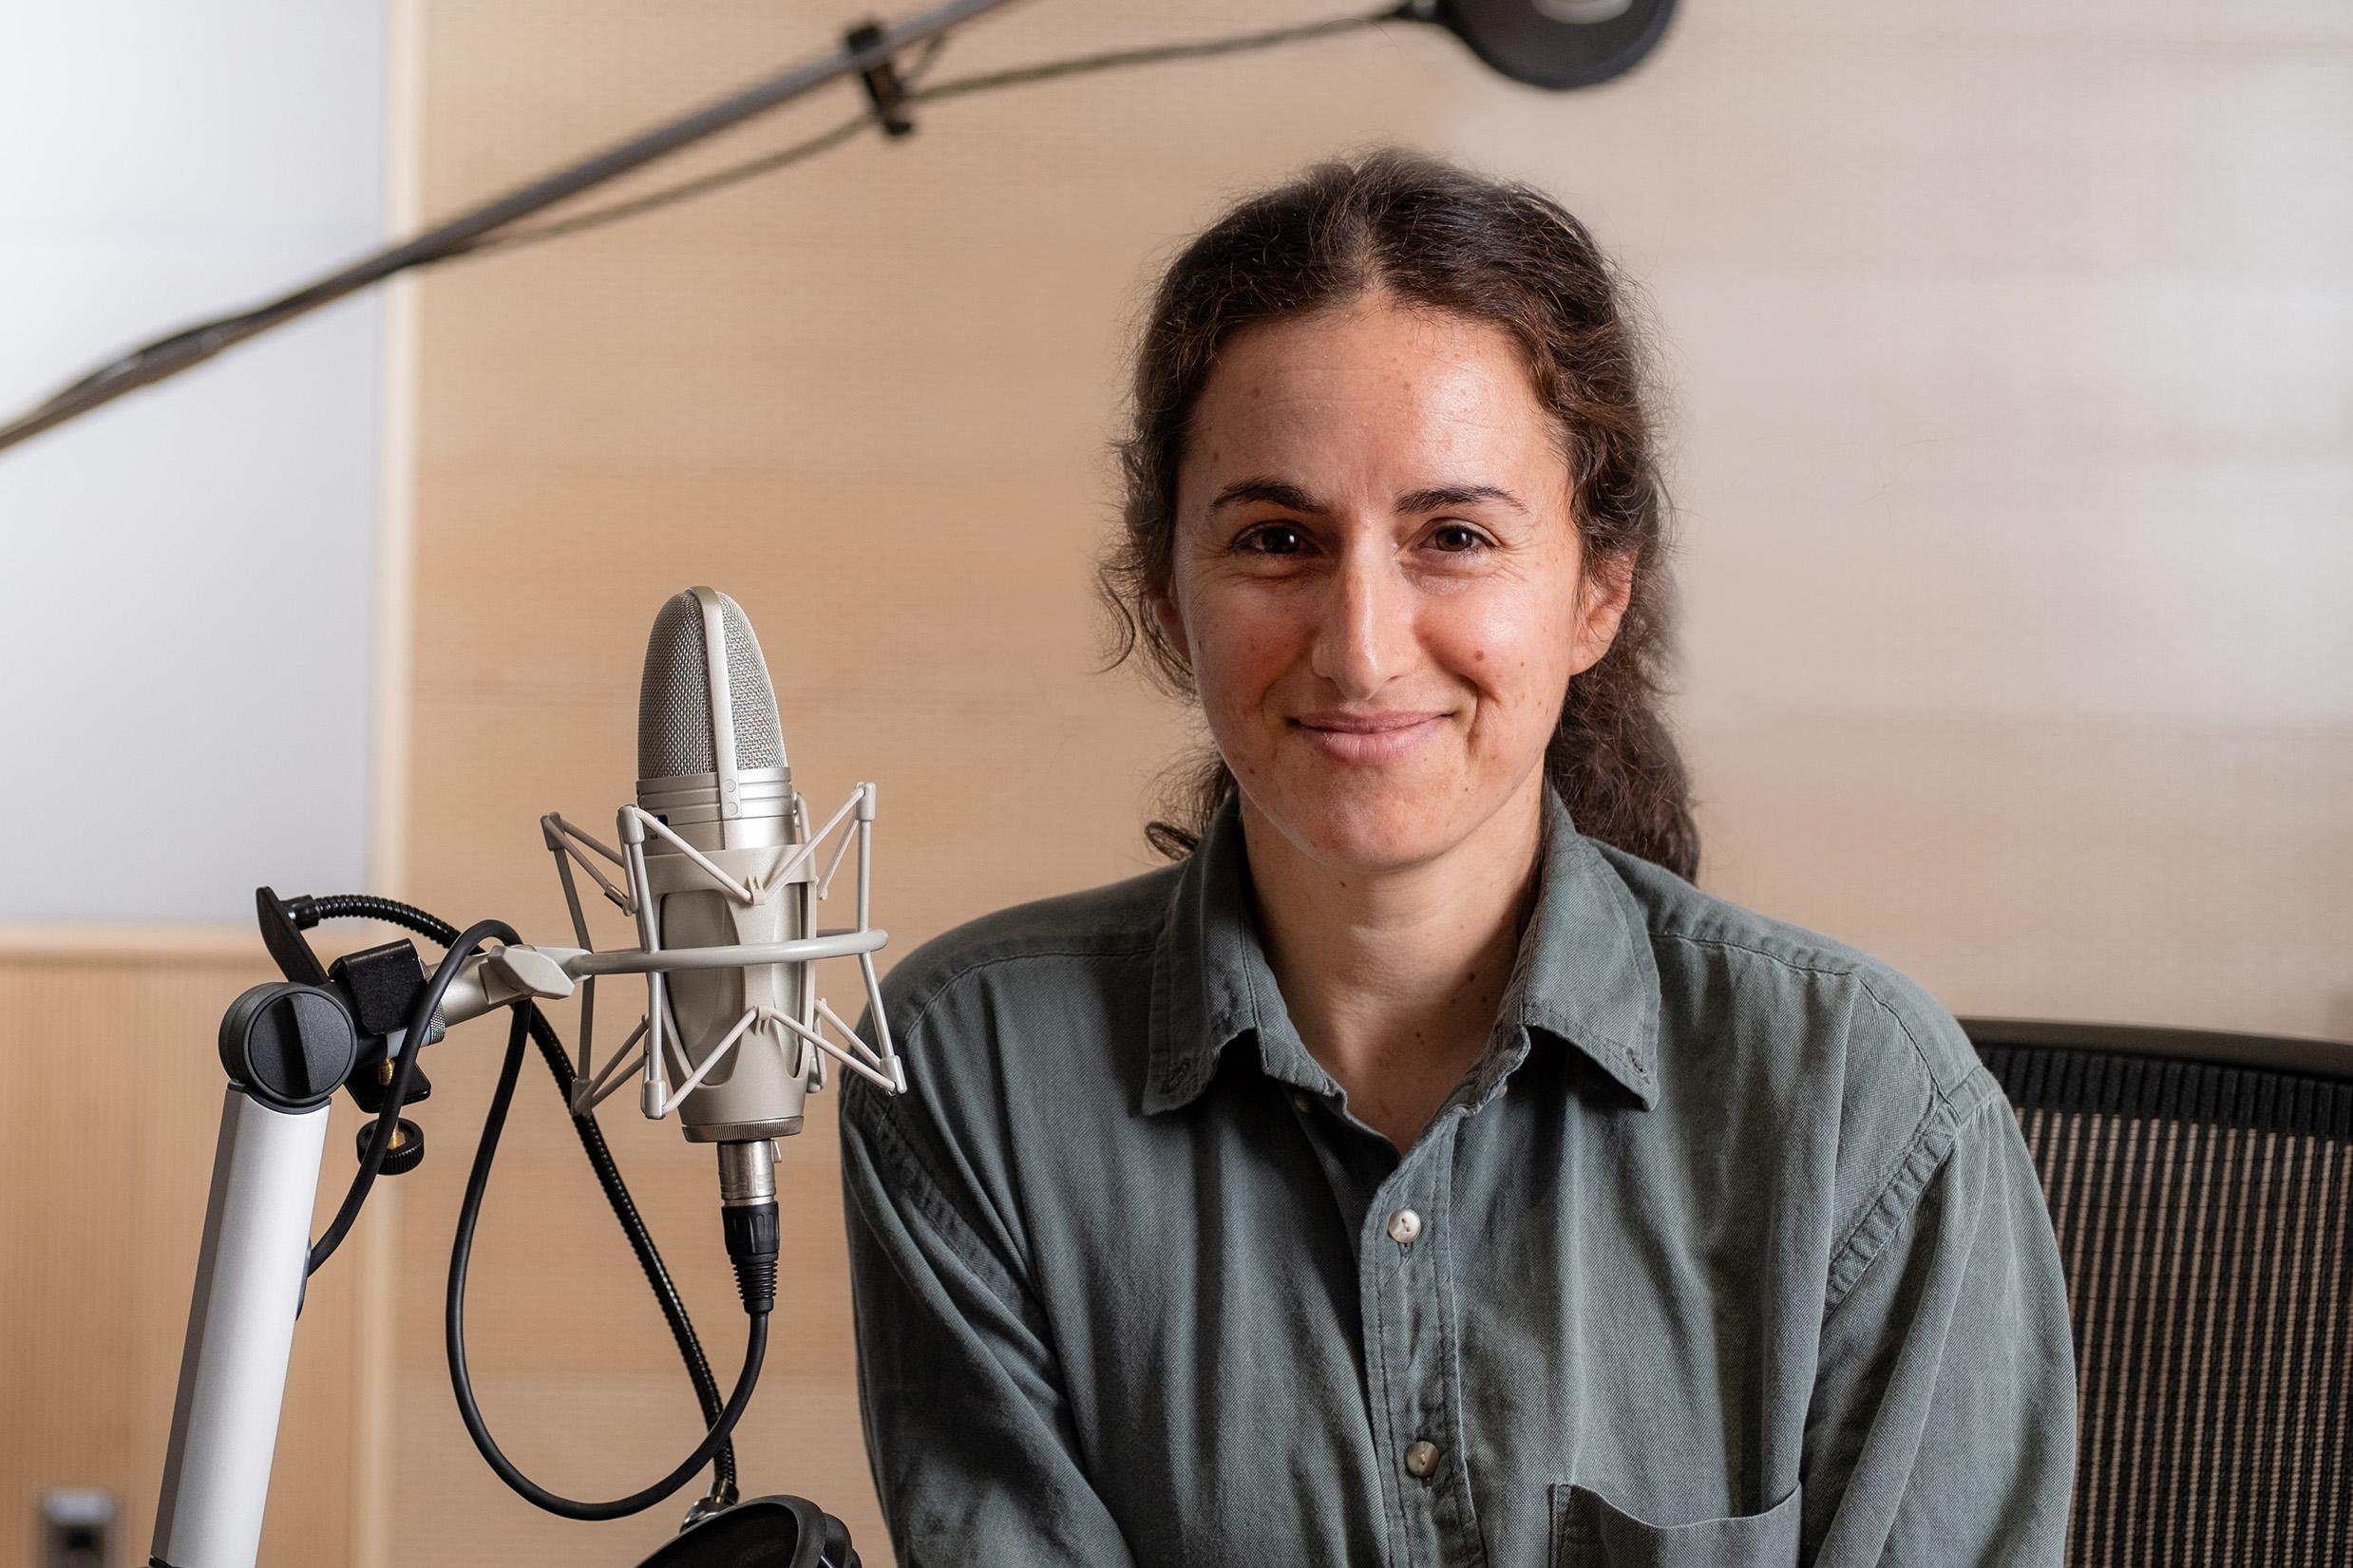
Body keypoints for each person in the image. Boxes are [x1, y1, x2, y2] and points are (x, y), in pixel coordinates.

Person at [838, 147, 2076, 1567]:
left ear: (1596, 594)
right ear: (1165, 598)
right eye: (1278, 537)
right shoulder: (968, 1072)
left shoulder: (1865, 1104)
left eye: (1455, 536)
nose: (1362, 647)